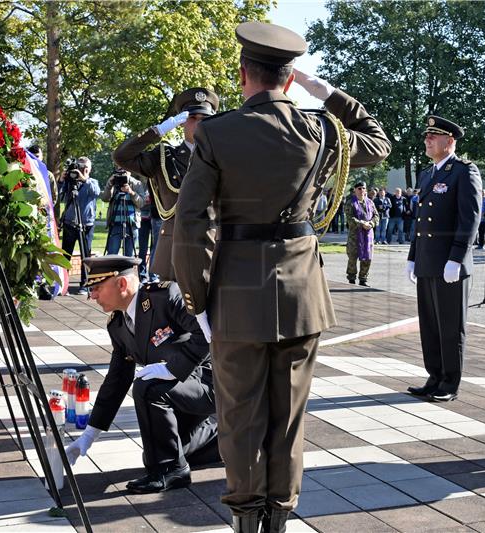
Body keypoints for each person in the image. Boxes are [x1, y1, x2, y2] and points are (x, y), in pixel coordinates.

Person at [172, 21, 391, 533]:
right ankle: (280, 519)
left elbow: (190, 222)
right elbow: (377, 144)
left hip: (237, 294)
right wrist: (326, 93)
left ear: (244, 73)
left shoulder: (216, 133)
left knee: (240, 416)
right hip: (300, 294)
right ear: (289, 79)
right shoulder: (318, 130)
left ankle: (248, 519)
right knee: (288, 418)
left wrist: (196, 295)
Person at [65, 255, 219, 493]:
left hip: (212, 383)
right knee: (164, 449)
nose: (92, 295)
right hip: (180, 392)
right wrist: (89, 434)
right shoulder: (117, 324)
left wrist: (171, 369)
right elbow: (116, 380)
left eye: (96, 287)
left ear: (122, 284)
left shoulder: (166, 297)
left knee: (147, 387)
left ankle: (170, 471)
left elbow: (207, 334)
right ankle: (230, 438)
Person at [406, 115, 481, 403]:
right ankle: (434, 375)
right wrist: (413, 256)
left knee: (451, 325)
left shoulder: (463, 171)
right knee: (430, 324)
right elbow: (421, 221)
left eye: (433, 136)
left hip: (450, 264)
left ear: (449, 141)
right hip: (427, 260)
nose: (427, 139)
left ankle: (450, 381)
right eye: (426, 135)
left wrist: (457, 257)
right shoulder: (427, 174)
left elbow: (470, 218)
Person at [113, 88, 219, 281]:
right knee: (172, 307)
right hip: (173, 249)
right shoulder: (164, 157)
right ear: (182, 122)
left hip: (212, 247)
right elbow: (121, 156)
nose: (198, 124)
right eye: (193, 118)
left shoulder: (222, 157)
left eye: (204, 119)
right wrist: (159, 130)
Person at [59, 156, 100, 294]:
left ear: (88, 169)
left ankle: (85, 285)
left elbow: (96, 192)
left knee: (85, 256)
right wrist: (62, 180)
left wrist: (84, 179)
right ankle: (62, 284)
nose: (80, 171)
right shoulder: (70, 182)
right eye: (79, 168)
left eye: (84, 169)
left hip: (86, 224)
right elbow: (60, 196)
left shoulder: (92, 182)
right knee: (66, 254)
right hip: (70, 223)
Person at [101, 169, 146, 256]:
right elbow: (105, 198)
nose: (122, 172)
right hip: (115, 224)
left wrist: (131, 192)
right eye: (119, 168)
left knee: (129, 256)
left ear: (129, 170)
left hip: (132, 224)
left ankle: (127, 270)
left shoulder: (137, 183)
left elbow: (141, 203)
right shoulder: (114, 182)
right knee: (112, 255)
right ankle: (112, 270)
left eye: (124, 169)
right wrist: (109, 185)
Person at [345, 181, 379, 286]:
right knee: (352, 257)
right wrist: (361, 224)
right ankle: (351, 278)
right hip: (355, 235)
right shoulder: (350, 202)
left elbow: (376, 216)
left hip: (368, 234)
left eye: (363, 188)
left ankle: (363, 278)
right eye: (359, 188)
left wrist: (371, 223)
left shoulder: (370, 202)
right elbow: (349, 218)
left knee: (367, 256)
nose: (362, 190)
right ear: (355, 190)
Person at [29, 145, 60, 222]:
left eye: (37, 156)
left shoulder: (48, 175)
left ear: (42, 157)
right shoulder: (25, 174)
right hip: (28, 214)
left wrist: (45, 209)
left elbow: (54, 196)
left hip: (44, 215)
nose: (35, 159)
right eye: (32, 157)